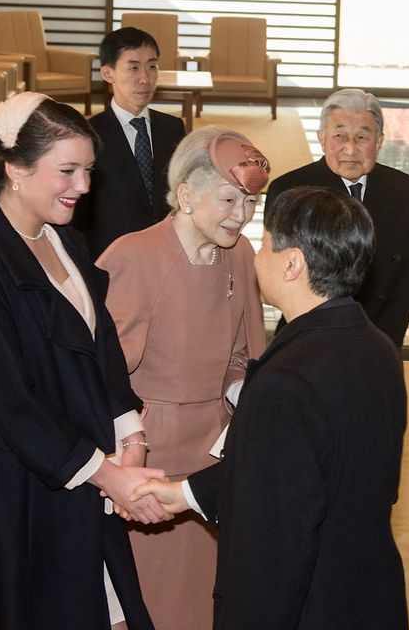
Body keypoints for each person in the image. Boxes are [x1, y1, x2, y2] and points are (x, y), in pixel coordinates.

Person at [0, 92, 170, 629]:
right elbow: (10, 403)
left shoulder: (64, 241)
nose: (83, 186)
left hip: (73, 465)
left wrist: (131, 438)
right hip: (7, 491)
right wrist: (110, 477)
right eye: (67, 170)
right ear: (15, 169)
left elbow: (100, 346)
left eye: (88, 171)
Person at [127, 185, 409, 629]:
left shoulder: (285, 381)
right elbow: (304, 471)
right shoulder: (377, 348)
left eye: (267, 243)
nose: (257, 254)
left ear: (292, 263)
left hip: (308, 607)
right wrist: (184, 493)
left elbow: (273, 549)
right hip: (366, 593)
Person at [98, 126, 268, 630]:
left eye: (250, 202)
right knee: (149, 600)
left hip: (215, 454)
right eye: (229, 199)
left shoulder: (239, 253)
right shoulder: (135, 256)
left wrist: (240, 393)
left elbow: (245, 351)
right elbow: (98, 375)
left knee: (207, 598)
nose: (241, 215)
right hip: (150, 455)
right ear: (187, 194)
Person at [268, 88, 409, 349]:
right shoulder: (290, 190)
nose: (350, 149)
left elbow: (408, 268)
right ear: (321, 138)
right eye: (339, 136)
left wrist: (385, 342)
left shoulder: (401, 188)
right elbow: (282, 275)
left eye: (362, 137)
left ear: (379, 141)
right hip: (309, 338)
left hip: (380, 335)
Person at [73, 26, 186, 260]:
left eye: (152, 66)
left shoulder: (173, 128)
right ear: (108, 73)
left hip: (167, 255)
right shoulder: (87, 135)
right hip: (110, 260)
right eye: (133, 67)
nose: (145, 78)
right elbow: (78, 214)